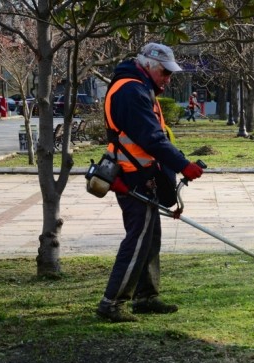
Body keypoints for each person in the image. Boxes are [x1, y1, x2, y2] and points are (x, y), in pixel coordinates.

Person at [96, 42, 204, 323]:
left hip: (141, 174)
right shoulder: (131, 90)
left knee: (149, 236)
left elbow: (157, 136)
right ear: (148, 66)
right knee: (138, 238)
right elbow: (151, 138)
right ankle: (111, 303)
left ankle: (146, 297)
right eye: (165, 73)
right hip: (133, 175)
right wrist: (183, 165)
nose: (168, 79)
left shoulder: (139, 87)